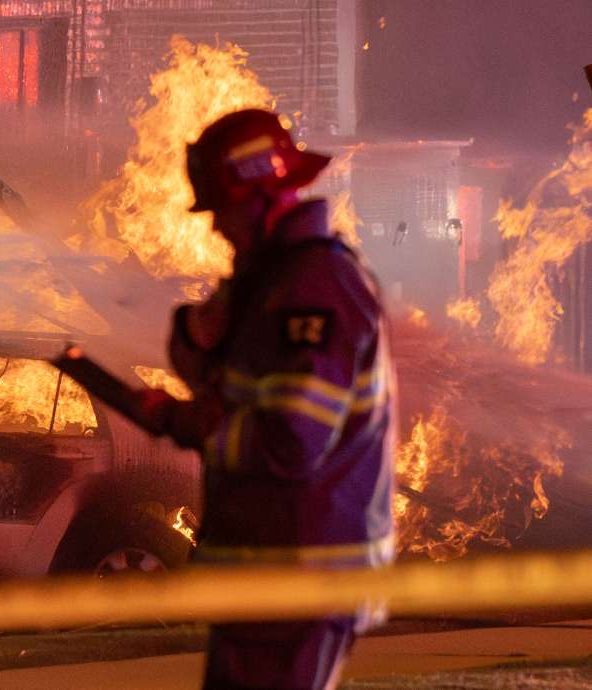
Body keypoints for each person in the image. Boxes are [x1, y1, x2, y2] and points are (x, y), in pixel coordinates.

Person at [153, 109, 397, 690]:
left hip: (301, 579)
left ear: (261, 197)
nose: (215, 228)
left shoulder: (314, 286)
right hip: (270, 577)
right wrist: (197, 336)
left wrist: (185, 423)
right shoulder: (274, 284)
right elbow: (224, 380)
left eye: (223, 209)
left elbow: (291, 439)